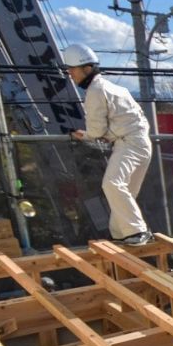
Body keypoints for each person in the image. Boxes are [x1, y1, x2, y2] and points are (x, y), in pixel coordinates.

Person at [62, 44, 153, 245]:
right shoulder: (115, 88)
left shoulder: (95, 91)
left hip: (128, 143)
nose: (70, 74)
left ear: (86, 68)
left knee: (112, 184)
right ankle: (120, 233)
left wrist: (84, 135)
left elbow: (96, 131)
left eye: (72, 70)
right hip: (141, 142)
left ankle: (137, 231)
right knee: (125, 191)